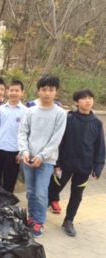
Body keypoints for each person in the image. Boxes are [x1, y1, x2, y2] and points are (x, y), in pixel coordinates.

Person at [48, 89, 105, 237]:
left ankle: (69, 220)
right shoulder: (69, 119)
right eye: (84, 98)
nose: (88, 101)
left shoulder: (97, 123)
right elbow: (59, 141)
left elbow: (100, 146)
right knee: (54, 188)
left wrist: (98, 166)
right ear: (76, 102)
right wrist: (57, 162)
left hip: (84, 167)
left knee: (77, 195)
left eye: (90, 98)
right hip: (64, 164)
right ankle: (38, 215)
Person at [18, 75, 67, 237]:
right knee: (30, 191)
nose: (47, 93)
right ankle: (31, 218)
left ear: (56, 92)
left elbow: (56, 138)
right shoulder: (30, 111)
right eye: (44, 89)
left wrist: (42, 155)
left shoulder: (60, 113)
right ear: (38, 91)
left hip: (46, 160)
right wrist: (25, 151)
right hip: (28, 158)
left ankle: (39, 222)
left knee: (41, 192)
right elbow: (22, 133)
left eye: (51, 90)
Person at [0, 80, 27, 193]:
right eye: (11, 90)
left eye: (17, 90)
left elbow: (26, 134)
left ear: (22, 93)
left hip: (14, 152)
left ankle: (6, 205)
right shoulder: (1, 109)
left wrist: (21, 152)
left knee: (10, 181)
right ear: (8, 91)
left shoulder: (26, 111)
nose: (14, 93)